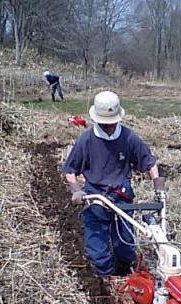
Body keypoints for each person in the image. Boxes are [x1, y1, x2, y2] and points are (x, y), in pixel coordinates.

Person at [62, 91, 162, 277]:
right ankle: (106, 279)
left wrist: (158, 186)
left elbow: (149, 162)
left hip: (122, 195)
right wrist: (76, 190)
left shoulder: (129, 137)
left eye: (111, 123)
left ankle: (124, 274)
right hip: (96, 196)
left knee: (125, 245)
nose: (108, 126)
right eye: (104, 123)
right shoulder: (86, 140)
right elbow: (70, 170)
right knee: (97, 248)